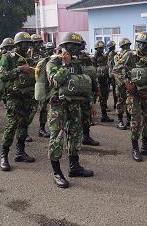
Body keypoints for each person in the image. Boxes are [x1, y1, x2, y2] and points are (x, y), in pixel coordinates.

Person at [46, 32, 94, 188]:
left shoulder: (79, 63)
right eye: (71, 46)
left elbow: (84, 85)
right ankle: (57, 172)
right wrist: (65, 65)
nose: (74, 49)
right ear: (63, 47)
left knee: (75, 134)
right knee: (57, 137)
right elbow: (54, 81)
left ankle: (74, 167)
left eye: (76, 46)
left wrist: (90, 104)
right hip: (57, 106)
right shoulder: (53, 62)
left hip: (75, 104)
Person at [113, 32, 147, 162]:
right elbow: (116, 70)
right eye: (141, 43)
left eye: (146, 44)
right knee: (136, 121)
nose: (143, 46)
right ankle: (135, 148)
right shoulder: (130, 55)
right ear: (137, 43)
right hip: (134, 95)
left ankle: (145, 146)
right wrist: (126, 84)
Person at [0, 32, 37, 171]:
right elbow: (2, 76)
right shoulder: (7, 57)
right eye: (23, 44)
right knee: (12, 125)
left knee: (24, 124)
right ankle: (4, 156)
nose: (26, 46)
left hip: (27, 96)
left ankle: (20, 152)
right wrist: (19, 69)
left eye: (28, 44)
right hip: (13, 97)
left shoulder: (30, 58)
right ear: (17, 44)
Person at [29, 41, 54, 138]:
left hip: (48, 87)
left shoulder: (52, 59)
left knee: (44, 109)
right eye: (48, 49)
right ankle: (24, 131)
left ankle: (41, 129)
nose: (50, 51)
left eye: (52, 49)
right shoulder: (33, 56)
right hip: (36, 85)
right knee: (32, 110)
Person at [92, 41, 113, 123]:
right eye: (100, 48)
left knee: (104, 99)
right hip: (97, 82)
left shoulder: (105, 56)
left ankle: (104, 116)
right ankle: (90, 118)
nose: (101, 49)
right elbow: (93, 70)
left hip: (105, 81)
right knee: (93, 99)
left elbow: (108, 67)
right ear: (96, 49)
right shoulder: (94, 58)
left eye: (102, 48)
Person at [114, 38, 132, 130]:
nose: (128, 47)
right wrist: (123, 82)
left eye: (128, 45)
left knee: (129, 101)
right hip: (121, 83)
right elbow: (115, 70)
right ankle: (120, 121)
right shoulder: (121, 56)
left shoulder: (131, 55)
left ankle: (129, 120)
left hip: (130, 81)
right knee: (121, 101)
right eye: (125, 46)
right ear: (122, 47)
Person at [106, 41, 118, 110]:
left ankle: (108, 104)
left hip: (109, 74)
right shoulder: (114, 54)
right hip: (113, 74)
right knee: (114, 90)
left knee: (108, 90)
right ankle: (115, 104)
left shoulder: (106, 54)